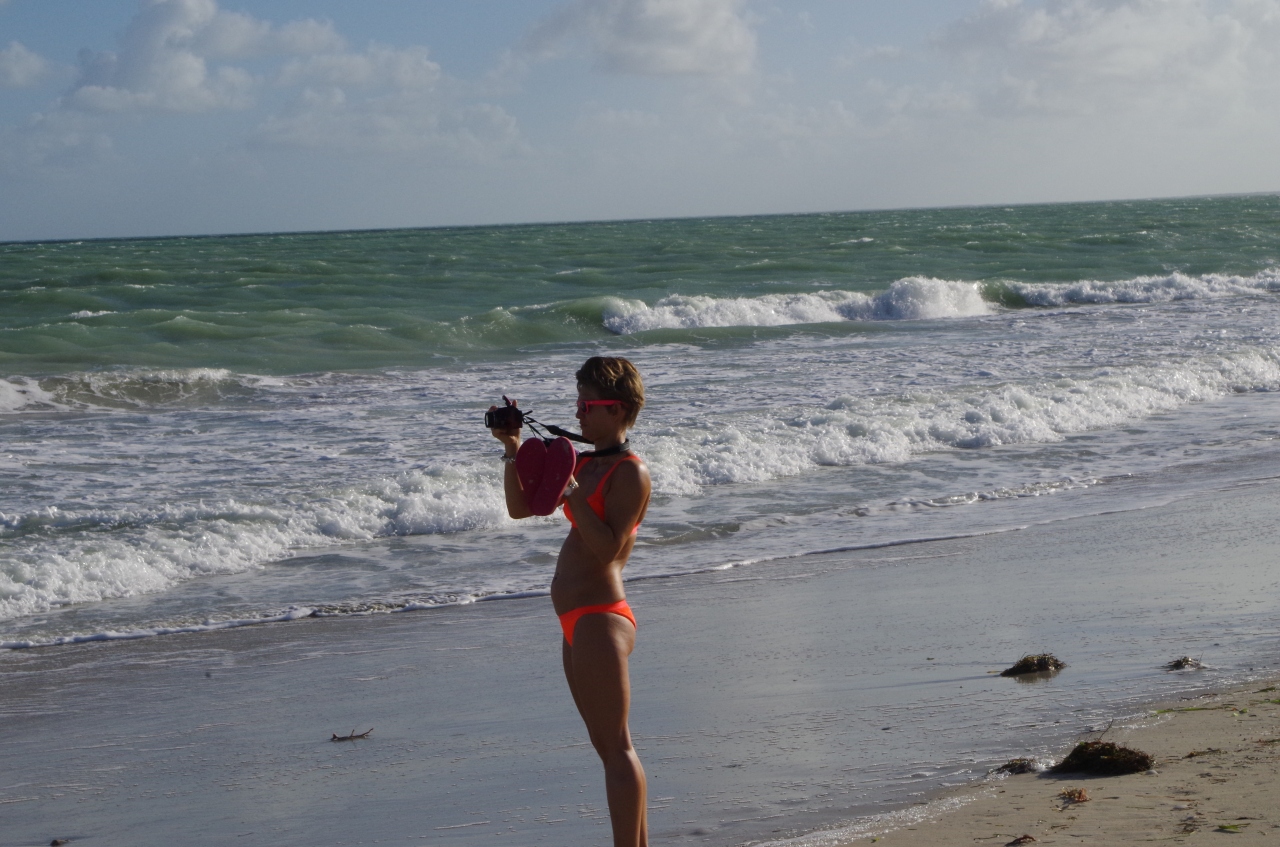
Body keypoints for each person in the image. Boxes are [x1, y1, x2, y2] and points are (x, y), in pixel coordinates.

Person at [489, 356, 652, 847]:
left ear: (618, 409)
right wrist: (513, 447)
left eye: (588, 404)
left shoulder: (630, 472)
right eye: (577, 403)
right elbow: (521, 508)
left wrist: (575, 491)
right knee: (604, 747)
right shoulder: (581, 461)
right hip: (573, 622)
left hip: (603, 617)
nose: (578, 413)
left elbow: (608, 549)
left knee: (618, 747)